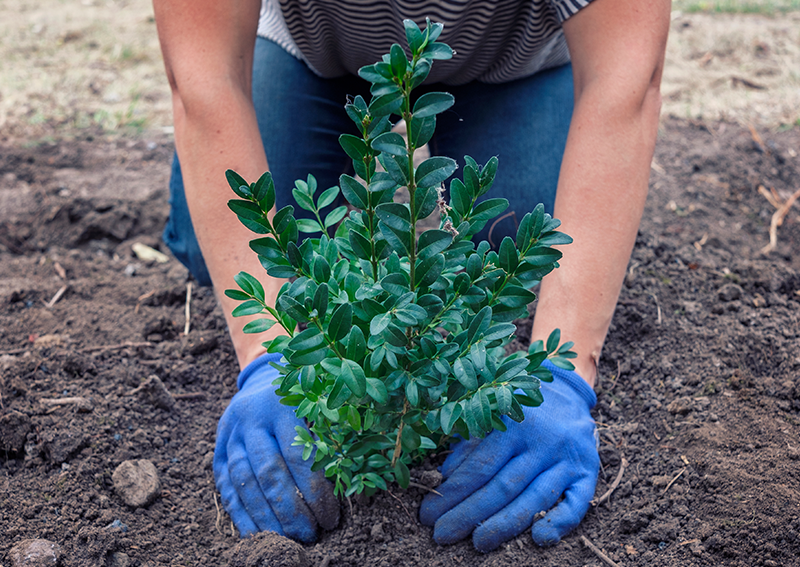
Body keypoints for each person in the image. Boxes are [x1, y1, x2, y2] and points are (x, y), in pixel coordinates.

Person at [152, 0, 670, 552]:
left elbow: (626, 84)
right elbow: (204, 81)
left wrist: (562, 371)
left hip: (514, 64)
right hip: (310, 56)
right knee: (245, 246)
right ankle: (378, 205)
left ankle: (411, 203)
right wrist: (271, 355)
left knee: (517, 243)